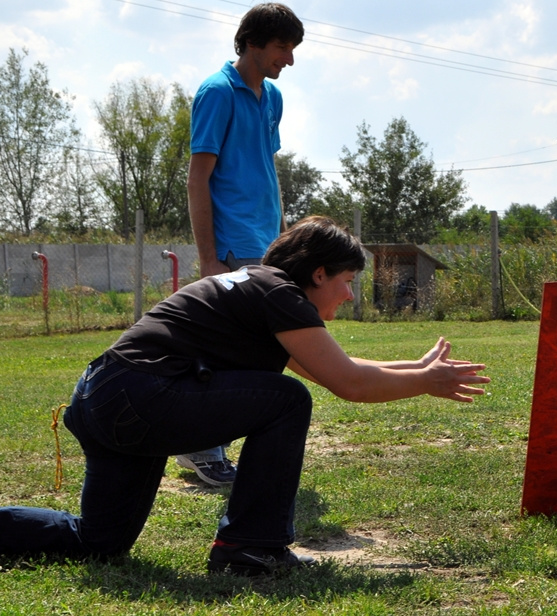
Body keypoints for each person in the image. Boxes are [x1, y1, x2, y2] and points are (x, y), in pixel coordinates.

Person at [0, 217, 489, 575]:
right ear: (318, 273)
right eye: (347, 281)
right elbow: (349, 384)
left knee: (99, 542)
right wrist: (425, 382)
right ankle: (250, 547)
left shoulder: (260, 289)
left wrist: (418, 369)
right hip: (139, 397)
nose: (350, 295)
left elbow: (334, 369)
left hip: (109, 396)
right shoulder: (281, 295)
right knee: (286, 400)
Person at [182, 2, 304, 486]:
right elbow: (198, 180)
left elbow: (265, 169)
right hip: (232, 242)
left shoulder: (271, 96)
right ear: (252, 42)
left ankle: (215, 441)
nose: (289, 60)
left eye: (293, 49)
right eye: (282, 47)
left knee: (260, 350)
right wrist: (209, 258)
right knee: (239, 348)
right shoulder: (216, 93)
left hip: (267, 241)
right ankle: (200, 443)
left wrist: (283, 238)